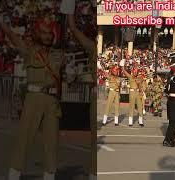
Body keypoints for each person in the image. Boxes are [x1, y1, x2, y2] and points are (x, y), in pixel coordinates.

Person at [0, 0, 67, 179]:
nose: (47, 36)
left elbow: (65, 79)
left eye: (49, 33)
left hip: (52, 102)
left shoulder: (58, 55)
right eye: (44, 33)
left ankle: (49, 176)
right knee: (24, 140)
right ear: (38, 33)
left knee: (51, 145)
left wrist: (69, 71)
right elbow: (11, 35)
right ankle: (14, 175)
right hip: (34, 98)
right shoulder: (30, 51)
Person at [60, 0, 97, 179]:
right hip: (97, 96)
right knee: (94, 141)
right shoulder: (94, 48)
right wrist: (68, 11)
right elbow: (73, 29)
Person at [120, 59, 144, 127]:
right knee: (131, 106)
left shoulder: (140, 77)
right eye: (134, 71)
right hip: (132, 92)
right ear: (132, 72)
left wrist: (141, 91)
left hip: (137, 92)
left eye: (136, 71)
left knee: (140, 106)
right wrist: (122, 65)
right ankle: (130, 122)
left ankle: (140, 121)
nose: (135, 72)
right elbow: (124, 71)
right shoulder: (130, 76)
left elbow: (141, 84)